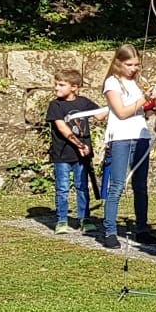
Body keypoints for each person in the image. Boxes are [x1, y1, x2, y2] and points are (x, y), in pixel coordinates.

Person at [98, 45, 156, 250]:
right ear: (118, 63)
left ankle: (142, 229)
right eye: (129, 64)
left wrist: (155, 106)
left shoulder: (137, 83)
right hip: (120, 138)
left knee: (140, 186)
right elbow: (121, 112)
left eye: (136, 65)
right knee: (117, 185)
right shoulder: (112, 82)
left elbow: (141, 113)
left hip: (140, 136)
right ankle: (110, 232)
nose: (133, 69)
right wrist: (144, 99)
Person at [45, 69, 101, 233]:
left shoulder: (84, 103)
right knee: (62, 188)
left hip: (82, 156)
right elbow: (63, 129)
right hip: (63, 154)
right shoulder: (55, 105)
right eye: (56, 84)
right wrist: (80, 145)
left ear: (74, 87)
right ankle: (62, 220)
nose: (56, 88)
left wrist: (118, 101)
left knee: (82, 186)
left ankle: (85, 219)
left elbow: (100, 115)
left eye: (61, 85)